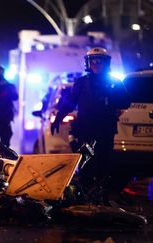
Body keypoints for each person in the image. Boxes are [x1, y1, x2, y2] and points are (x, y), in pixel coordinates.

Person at [50, 47, 131, 200]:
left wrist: (113, 97)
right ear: (88, 62)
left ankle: (101, 197)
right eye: (93, 60)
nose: (96, 64)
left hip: (106, 130)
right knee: (86, 163)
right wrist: (59, 117)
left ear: (106, 63)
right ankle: (85, 196)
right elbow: (70, 102)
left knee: (104, 163)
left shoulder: (115, 82)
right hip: (85, 130)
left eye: (100, 61)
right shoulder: (81, 82)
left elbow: (126, 101)